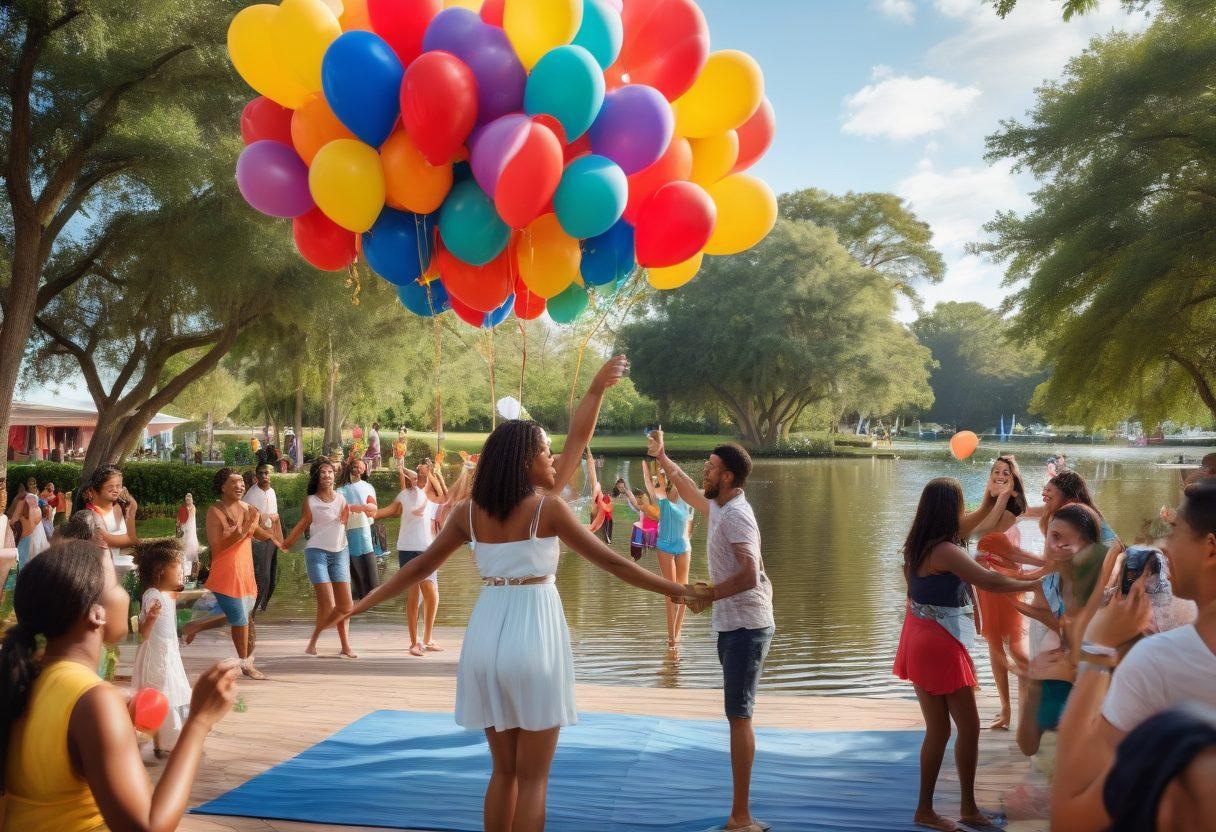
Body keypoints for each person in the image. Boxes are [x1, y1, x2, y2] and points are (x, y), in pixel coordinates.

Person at [345, 357, 707, 832]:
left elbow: (415, 569)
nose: (553, 458)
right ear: (523, 461)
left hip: (485, 639)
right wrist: (679, 590)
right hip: (535, 635)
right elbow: (616, 564)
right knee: (535, 779)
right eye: (544, 452)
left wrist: (357, 606)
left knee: (504, 772)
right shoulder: (548, 510)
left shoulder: (469, 513)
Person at [0, 540, 239, 831]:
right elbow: (148, 826)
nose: (125, 594)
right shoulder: (93, 700)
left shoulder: (27, 681)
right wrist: (199, 723)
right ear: (96, 613)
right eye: (117, 584)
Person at [1051, 481, 1216, 831]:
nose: (1166, 546)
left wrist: (1098, 649)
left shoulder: (1159, 662)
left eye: (1176, 531)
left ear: (1211, 549)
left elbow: (1072, 815)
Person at [891, 477, 1041, 832]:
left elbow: (971, 523)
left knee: (939, 729)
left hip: (917, 633)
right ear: (949, 510)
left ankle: (925, 810)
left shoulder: (919, 544)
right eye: (960, 505)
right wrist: (1036, 582)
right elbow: (989, 581)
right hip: (939, 642)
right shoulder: (945, 551)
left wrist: (993, 501)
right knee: (969, 727)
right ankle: (968, 808)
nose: (965, 513)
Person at [650, 433, 776, 832]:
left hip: (747, 625)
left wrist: (711, 594)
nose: (703, 471)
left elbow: (751, 572)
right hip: (732, 623)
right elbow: (687, 489)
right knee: (736, 714)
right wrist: (664, 457)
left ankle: (742, 818)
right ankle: (741, 814)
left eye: (710, 467)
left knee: (739, 716)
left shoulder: (737, 515)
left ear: (728, 478)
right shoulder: (718, 504)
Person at [183, 468, 280, 680]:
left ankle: (196, 626)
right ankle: (245, 664)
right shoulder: (214, 512)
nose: (240, 486)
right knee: (240, 620)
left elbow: (262, 535)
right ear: (223, 487)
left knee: (241, 617)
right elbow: (217, 548)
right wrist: (243, 530)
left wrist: (274, 533)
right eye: (234, 483)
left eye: (242, 483)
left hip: (245, 572)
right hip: (226, 572)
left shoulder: (248, 509)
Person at [966, 455, 1041, 731]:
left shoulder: (1009, 507)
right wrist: (991, 497)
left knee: (1007, 645)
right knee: (995, 644)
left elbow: (980, 533)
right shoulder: (995, 504)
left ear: (1014, 479)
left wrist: (999, 497)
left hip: (1000, 579)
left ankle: (1043, 685)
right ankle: (1008, 710)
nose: (999, 476)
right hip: (987, 579)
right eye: (996, 472)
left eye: (1005, 473)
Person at [282, 459, 357, 658]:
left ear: (334, 475)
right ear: (317, 477)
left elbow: (346, 521)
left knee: (346, 605)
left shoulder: (342, 499)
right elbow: (302, 524)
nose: (327, 476)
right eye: (323, 473)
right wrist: (286, 543)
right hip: (317, 553)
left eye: (330, 472)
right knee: (328, 605)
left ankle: (345, 646)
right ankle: (314, 641)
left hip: (340, 553)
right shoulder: (311, 501)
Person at [373, 461, 441, 657]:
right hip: (407, 548)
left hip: (427, 549)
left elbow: (429, 483)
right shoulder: (404, 496)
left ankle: (427, 639)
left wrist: (429, 472)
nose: (415, 478)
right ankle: (414, 642)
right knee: (414, 592)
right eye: (414, 475)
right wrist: (369, 513)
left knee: (430, 591)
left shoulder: (431, 499)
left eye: (419, 474)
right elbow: (388, 511)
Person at [132, 539, 192, 757]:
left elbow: (179, 591)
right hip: (157, 656)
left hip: (169, 652)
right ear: (160, 572)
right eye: (177, 569)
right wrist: (151, 618)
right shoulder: (153, 596)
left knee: (170, 694)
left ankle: (166, 742)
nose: (182, 573)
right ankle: (160, 743)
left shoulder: (165, 594)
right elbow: (143, 633)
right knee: (159, 695)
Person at [643, 458, 694, 649]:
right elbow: (651, 485)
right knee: (669, 592)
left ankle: (677, 635)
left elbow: (689, 525)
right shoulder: (663, 498)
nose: (675, 489)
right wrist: (648, 470)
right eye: (671, 486)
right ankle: (671, 637)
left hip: (683, 547)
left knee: (683, 593)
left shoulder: (689, 500)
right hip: (665, 546)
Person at [87, 465, 139, 584]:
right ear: (96, 489)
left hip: (125, 565)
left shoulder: (117, 508)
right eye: (110, 488)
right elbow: (126, 540)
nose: (116, 490)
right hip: (108, 569)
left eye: (119, 486)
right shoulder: (93, 515)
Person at [337, 458, 379, 601]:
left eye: (360, 467)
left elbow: (373, 509)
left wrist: (370, 509)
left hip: (365, 529)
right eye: (355, 466)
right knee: (356, 564)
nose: (357, 469)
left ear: (365, 470)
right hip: (350, 530)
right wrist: (360, 508)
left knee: (369, 563)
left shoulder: (368, 487)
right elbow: (342, 508)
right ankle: (358, 597)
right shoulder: (341, 490)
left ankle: (371, 598)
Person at [242, 466, 283, 612]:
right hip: (258, 541)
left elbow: (276, 517)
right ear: (256, 477)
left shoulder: (271, 492)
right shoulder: (250, 495)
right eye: (261, 473)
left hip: (272, 539)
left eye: (267, 473)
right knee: (262, 577)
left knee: (272, 577)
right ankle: (251, 610)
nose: (264, 476)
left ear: (271, 475)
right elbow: (245, 519)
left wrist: (280, 540)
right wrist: (263, 519)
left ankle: (262, 607)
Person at [14, 492, 49, 569]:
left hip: (28, 537)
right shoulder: (39, 510)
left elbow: (16, 522)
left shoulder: (25, 513)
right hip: (39, 535)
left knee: (23, 557)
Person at [175, 493, 201, 581]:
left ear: (191, 499)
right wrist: (179, 524)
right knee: (184, 550)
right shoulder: (184, 508)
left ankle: (192, 574)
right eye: (186, 499)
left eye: (189, 499)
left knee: (192, 551)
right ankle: (185, 573)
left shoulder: (193, 507)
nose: (188, 500)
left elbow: (188, 517)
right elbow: (181, 518)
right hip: (185, 530)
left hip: (190, 531)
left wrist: (181, 523)